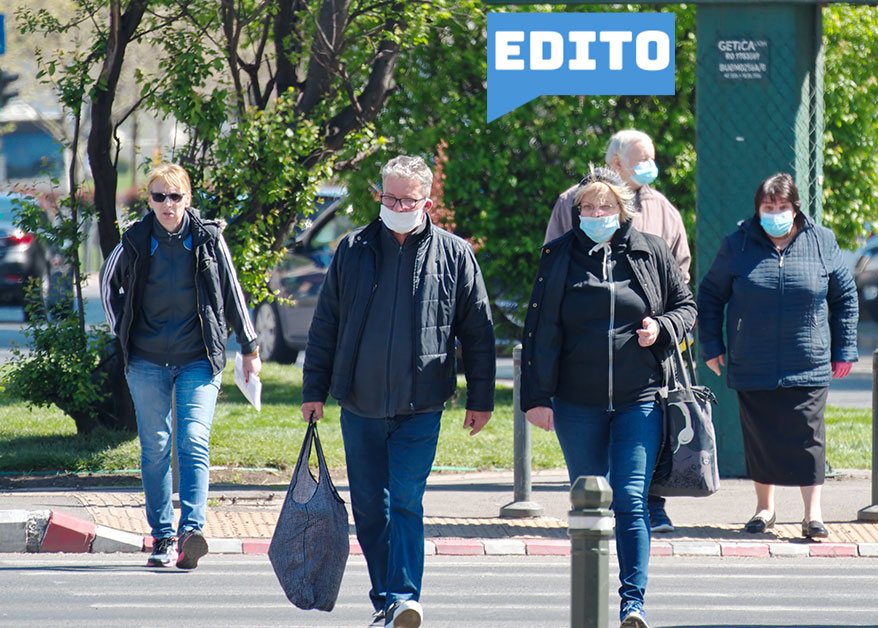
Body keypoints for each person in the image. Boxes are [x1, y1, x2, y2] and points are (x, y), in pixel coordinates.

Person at [300, 155, 495, 628]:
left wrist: (481, 398)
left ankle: (405, 597)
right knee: (369, 509)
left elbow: (478, 332)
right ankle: (386, 597)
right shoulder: (353, 248)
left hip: (421, 405)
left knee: (406, 499)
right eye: (389, 196)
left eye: (406, 199)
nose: (396, 205)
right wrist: (314, 389)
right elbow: (326, 324)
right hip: (360, 404)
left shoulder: (454, 253)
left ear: (427, 201)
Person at [523, 167, 696, 628]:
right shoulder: (558, 256)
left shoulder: (649, 251)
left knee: (631, 500)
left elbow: (687, 307)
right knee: (587, 498)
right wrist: (535, 398)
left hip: (639, 401)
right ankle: (590, 595)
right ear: (576, 211)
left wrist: (662, 328)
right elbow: (539, 330)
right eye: (588, 208)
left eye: (605, 207)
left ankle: (632, 601)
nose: (596, 215)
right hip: (576, 403)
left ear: (623, 210)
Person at [101, 163, 261, 570]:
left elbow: (232, 291)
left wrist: (249, 345)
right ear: (149, 201)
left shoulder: (208, 238)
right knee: (155, 447)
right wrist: (126, 333)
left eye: (175, 196)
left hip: (197, 358)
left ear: (188, 199)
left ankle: (191, 532)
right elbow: (108, 289)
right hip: (146, 360)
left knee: (193, 440)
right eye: (159, 196)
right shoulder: (135, 241)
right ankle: (162, 537)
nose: (167, 204)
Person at [696, 172, 857, 539]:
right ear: (757, 210)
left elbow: (845, 297)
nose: (776, 214)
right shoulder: (736, 244)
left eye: (783, 207)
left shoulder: (822, 241)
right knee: (760, 436)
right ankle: (764, 509)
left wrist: (844, 348)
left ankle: (813, 515)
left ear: (796, 208)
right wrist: (712, 345)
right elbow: (709, 296)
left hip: (809, 360)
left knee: (808, 436)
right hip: (752, 360)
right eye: (768, 208)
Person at [545, 128, 690, 534]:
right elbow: (554, 264)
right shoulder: (570, 203)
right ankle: (598, 519)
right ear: (615, 164)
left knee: (641, 457)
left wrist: (663, 324)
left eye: (652, 158)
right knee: (593, 477)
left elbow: (680, 275)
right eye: (640, 159)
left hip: (645, 357)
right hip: (582, 369)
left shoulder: (662, 209)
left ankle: (651, 506)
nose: (649, 167)